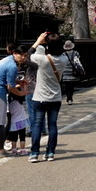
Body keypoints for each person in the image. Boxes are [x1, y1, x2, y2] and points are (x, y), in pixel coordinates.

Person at [27, 32, 64, 162]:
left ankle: (34, 153)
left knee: (37, 125)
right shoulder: (63, 59)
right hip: (55, 98)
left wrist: (39, 41)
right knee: (52, 125)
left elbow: (27, 56)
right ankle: (50, 153)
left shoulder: (41, 59)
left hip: (40, 97)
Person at [60, 39, 82, 105]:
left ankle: (68, 97)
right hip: (73, 71)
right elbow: (78, 61)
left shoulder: (63, 54)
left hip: (65, 72)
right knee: (71, 86)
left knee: (67, 86)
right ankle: (70, 98)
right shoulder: (75, 53)